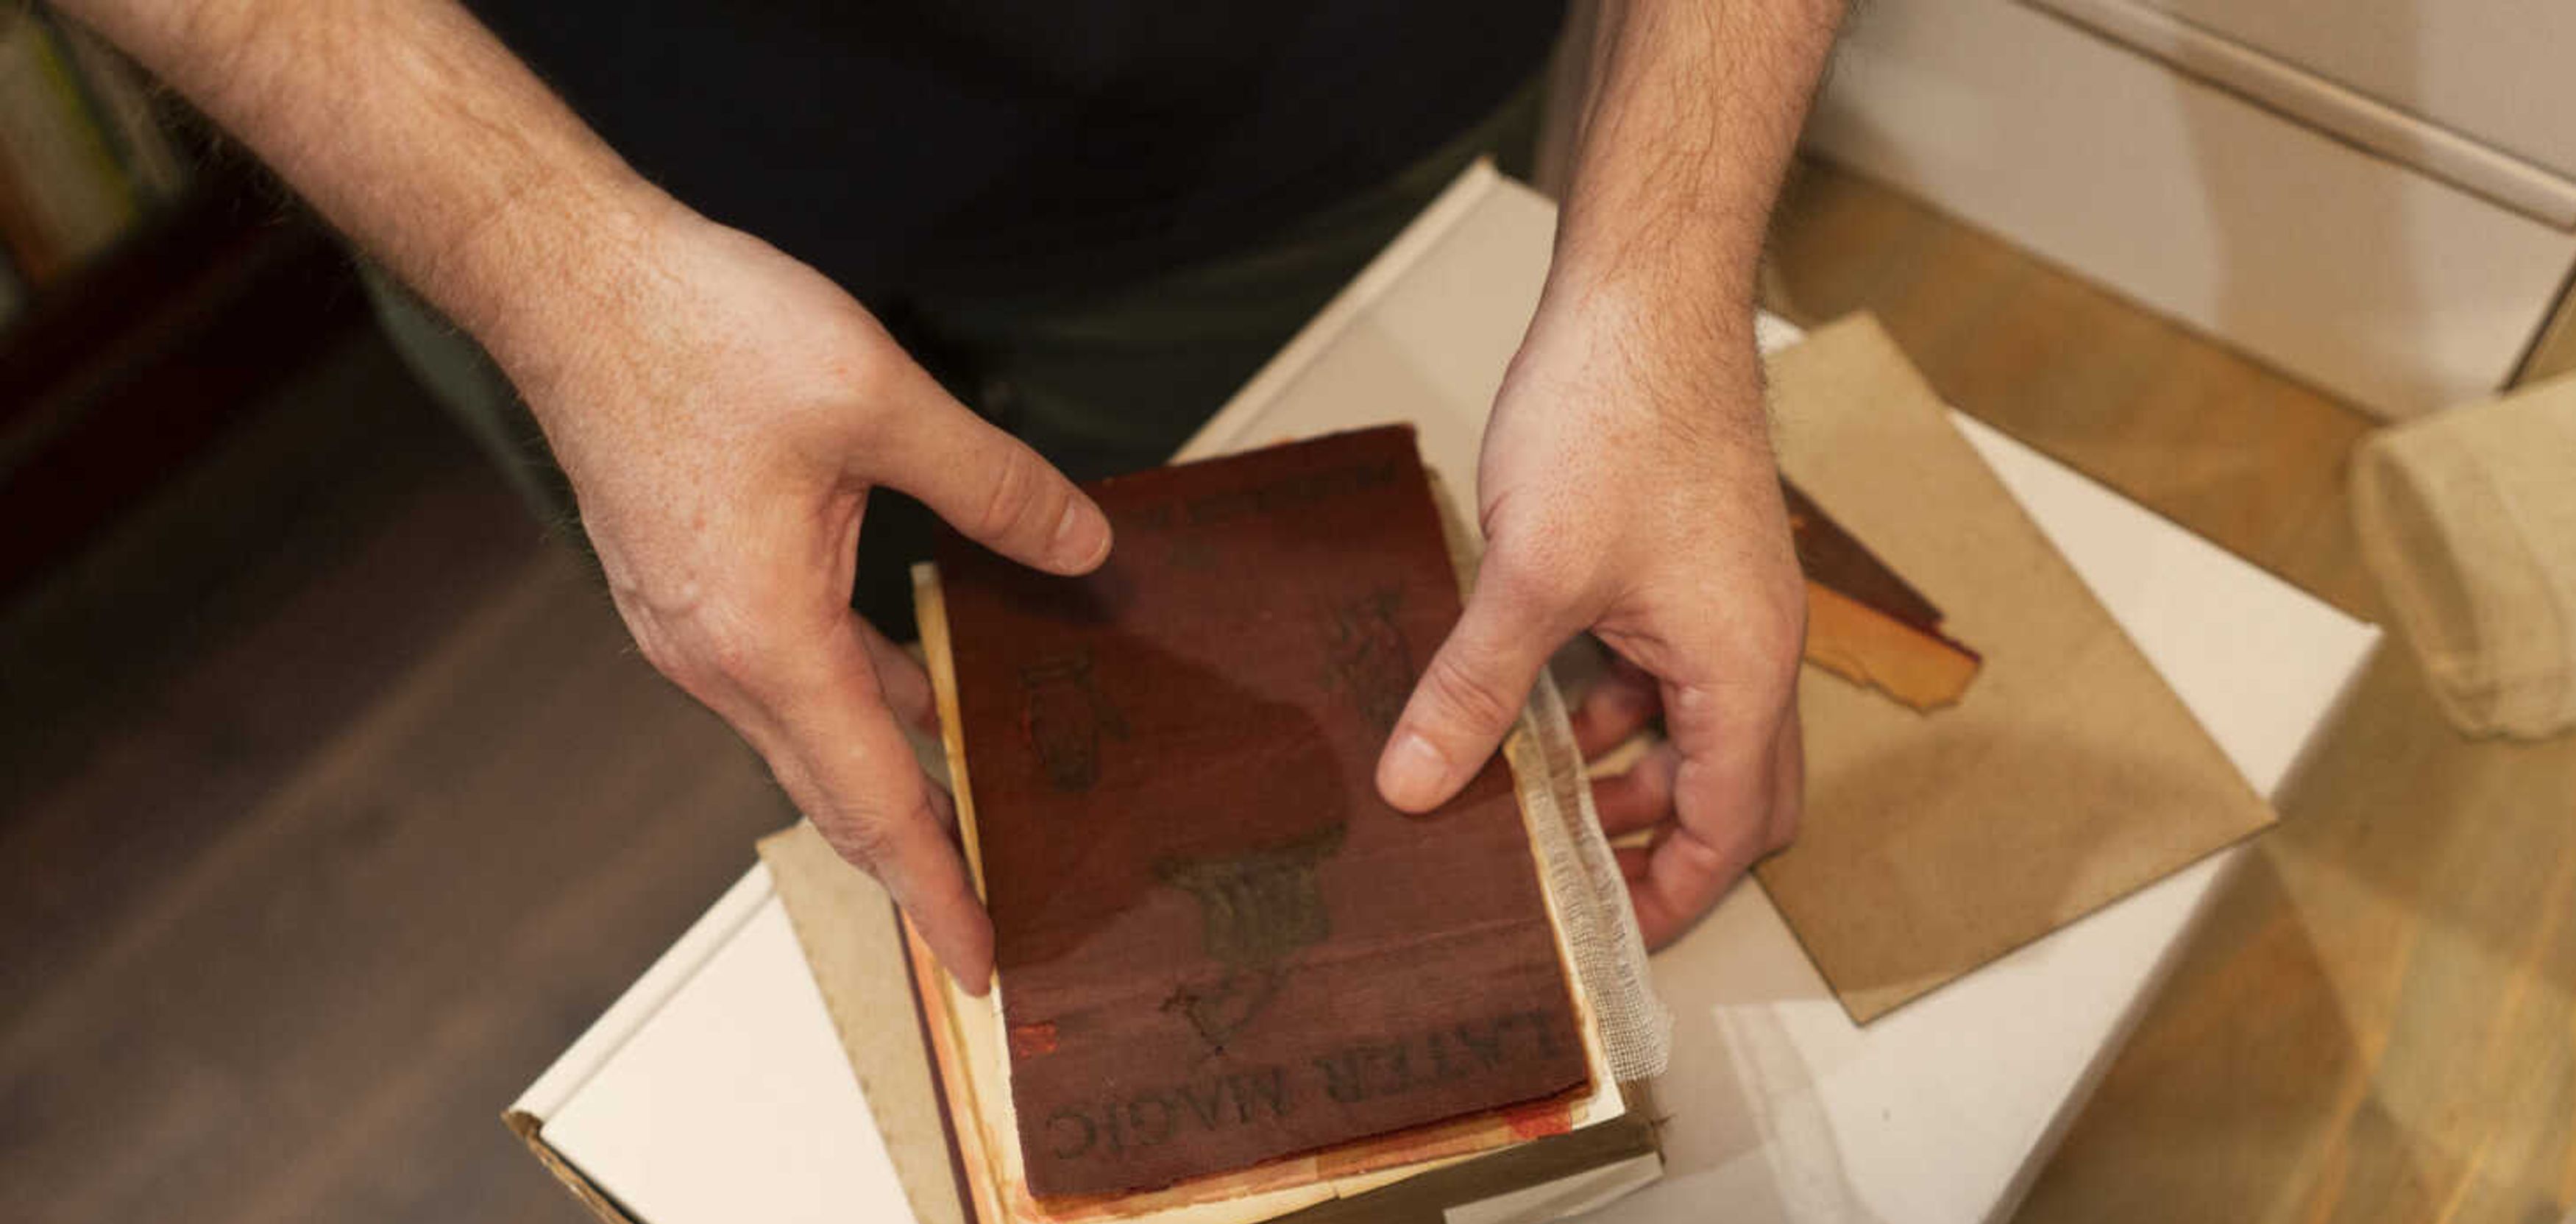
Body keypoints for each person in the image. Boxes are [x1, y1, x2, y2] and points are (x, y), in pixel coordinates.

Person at [62, 0, 1833, 982]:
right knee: (925, 814)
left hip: (1292, 145)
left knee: (1327, 864)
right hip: (516, 150)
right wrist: (549, 268)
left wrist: (1664, 286)